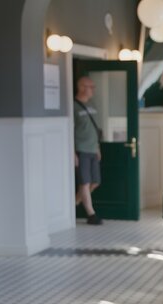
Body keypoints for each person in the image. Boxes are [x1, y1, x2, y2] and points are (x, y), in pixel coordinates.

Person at [74, 76, 103, 225]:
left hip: (93, 149)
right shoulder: (74, 106)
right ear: (81, 87)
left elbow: (94, 128)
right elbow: (69, 131)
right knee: (84, 182)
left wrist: (97, 147)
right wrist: (72, 152)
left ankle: (72, 205)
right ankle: (91, 214)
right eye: (90, 86)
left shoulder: (92, 105)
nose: (93, 90)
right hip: (81, 149)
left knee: (95, 182)